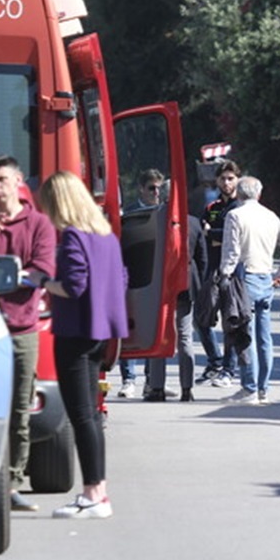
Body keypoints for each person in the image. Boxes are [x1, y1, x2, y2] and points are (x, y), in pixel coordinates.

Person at [33, 171, 128, 518]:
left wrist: (42, 281)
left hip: (74, 331)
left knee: (81, 416)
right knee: (91, 415)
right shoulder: (105, 235)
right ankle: (98, 492)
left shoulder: (73, 236)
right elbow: (122, 278)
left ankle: (91, 494)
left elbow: (73, 286)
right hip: (99, 332)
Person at [0, 154, 56, 513]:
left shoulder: (38, 224)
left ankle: (13, 483)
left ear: (18, 180)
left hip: (22, 329)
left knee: (20, 410)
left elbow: (42, 270)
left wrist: (7, 276)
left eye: (2, 179)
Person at [219, 176, 280, 404]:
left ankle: (249, 387)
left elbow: (232, 252)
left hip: (245, 278)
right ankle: (263, 387)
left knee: (246, 335)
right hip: (265, 277)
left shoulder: (235, 215)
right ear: (259, 194)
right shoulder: (270, 215)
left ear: (238, 193)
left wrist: (224, 276)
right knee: (264, 337)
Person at [144, 178, 206, 403]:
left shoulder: (154, 219)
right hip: (185, 285)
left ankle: (156, 388)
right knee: (186, 337)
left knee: (160, 334)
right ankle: (187, 388)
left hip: (159, 285)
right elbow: (203, 260)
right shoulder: (194, 223)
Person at [117, 168, 166, 399]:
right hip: (129, 274)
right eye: (151, 188)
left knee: (152, 329)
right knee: (128, 329)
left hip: (154, 277)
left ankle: (151, 380)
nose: (156, 193)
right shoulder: (129, 213)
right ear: (141, 189)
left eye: (159, 188)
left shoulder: (164, 213)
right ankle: (128, 380)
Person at [200, 160, 242, 387]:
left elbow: (231, 238)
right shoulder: (211, 207)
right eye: (223, 178)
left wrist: (213, 233)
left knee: (230, 321)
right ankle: (214, 361)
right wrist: (213, 234)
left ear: (237, 180)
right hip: (212, 268)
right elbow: (202, 232)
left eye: (231, 178)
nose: (226, 183)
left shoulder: (241, 207)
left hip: (233, 271)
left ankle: (229, 369)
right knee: (203, 318)